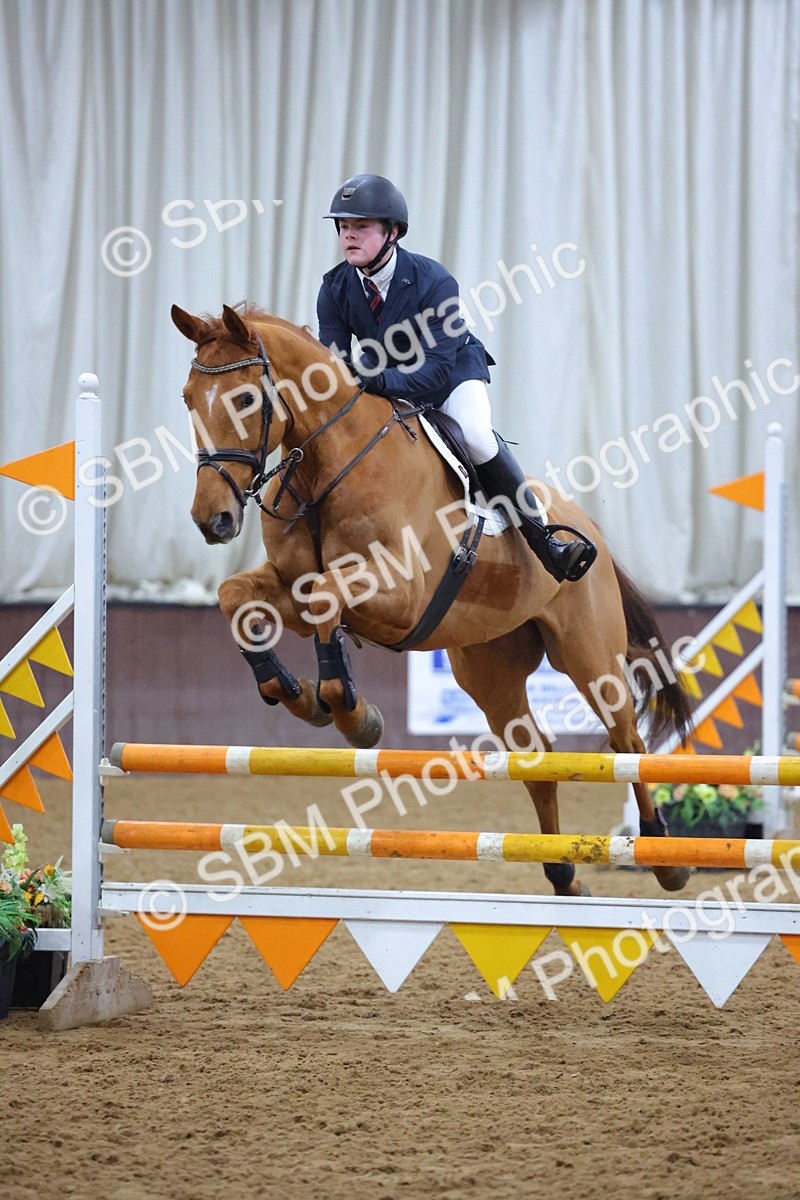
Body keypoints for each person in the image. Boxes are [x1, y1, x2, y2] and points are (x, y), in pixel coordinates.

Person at [316, 173, 595, 582]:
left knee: (476, 434)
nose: (348, 236)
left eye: (360, 226)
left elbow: (435, 370)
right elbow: (338, 363)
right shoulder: (334, 288)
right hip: (387, 381)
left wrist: (378, 382)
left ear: (393, 232)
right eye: (343, 227)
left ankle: (545, 541)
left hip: (450, 374)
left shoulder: (434, 282)